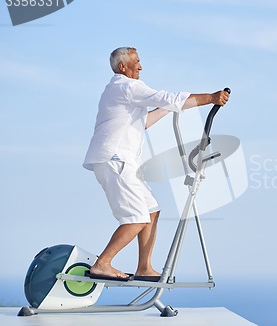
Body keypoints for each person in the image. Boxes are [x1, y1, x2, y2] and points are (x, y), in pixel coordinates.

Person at [83, 47, 230, 280]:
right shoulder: (127, 86)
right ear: (123, 66)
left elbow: (144, 122)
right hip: (115, 161)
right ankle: (102, 264)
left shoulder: (121, 92)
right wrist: (210, 98)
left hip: (122, 162)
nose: (140, 66)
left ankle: (144, 267)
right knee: (136, 218)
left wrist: (168, 109)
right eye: (137, 62)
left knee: (151, 210)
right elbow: (170, 98)